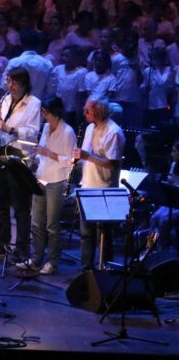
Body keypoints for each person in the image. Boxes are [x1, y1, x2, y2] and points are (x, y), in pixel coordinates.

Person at [0, 67, 41, 263]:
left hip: (19, 158)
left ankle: (22, 249)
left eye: (14, 82)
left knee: (20, 208)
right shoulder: (4, 100)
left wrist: (10, 128)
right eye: (8, 81)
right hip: (1, 155)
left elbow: (33, 132)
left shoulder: (34, 104)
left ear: (24, 84)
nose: (10, 86)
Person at [18, 97, 76, 275]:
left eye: (46, 112)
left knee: (52, 225)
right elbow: (42, 153)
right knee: (36, 223)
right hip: (41, 178)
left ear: (55, 112)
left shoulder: (67, 132)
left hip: (56, 181)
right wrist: (34, 156)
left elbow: (71, 161)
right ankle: (36, 259)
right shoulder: (45, 128)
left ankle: (52, 261)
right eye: (43, 111)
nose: (43, 115)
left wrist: (49, 153)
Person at [75, 96, 125, 270]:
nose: (84, 113)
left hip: (104, 189)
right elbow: (86, 156)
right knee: (86, 233)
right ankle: (86, 271)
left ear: (99, 111)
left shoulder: (114, 132)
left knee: (104, 235)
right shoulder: (89, 128)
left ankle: (105, 271)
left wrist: (87, 156)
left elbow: (113, 163)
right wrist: (76, 161)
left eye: (87, 110)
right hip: (87, 186)